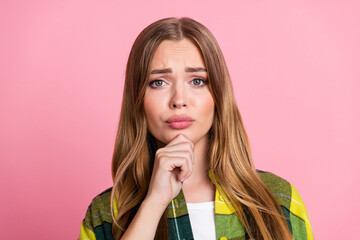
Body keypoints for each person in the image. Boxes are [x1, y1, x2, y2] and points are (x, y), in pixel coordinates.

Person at [79, 17, 313, 240]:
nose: (179, 100)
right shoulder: (106, 214)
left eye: (197, 81)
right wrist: (154, 202)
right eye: (158, 82)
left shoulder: (279, 200)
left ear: (218, 96)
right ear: (138, 100)